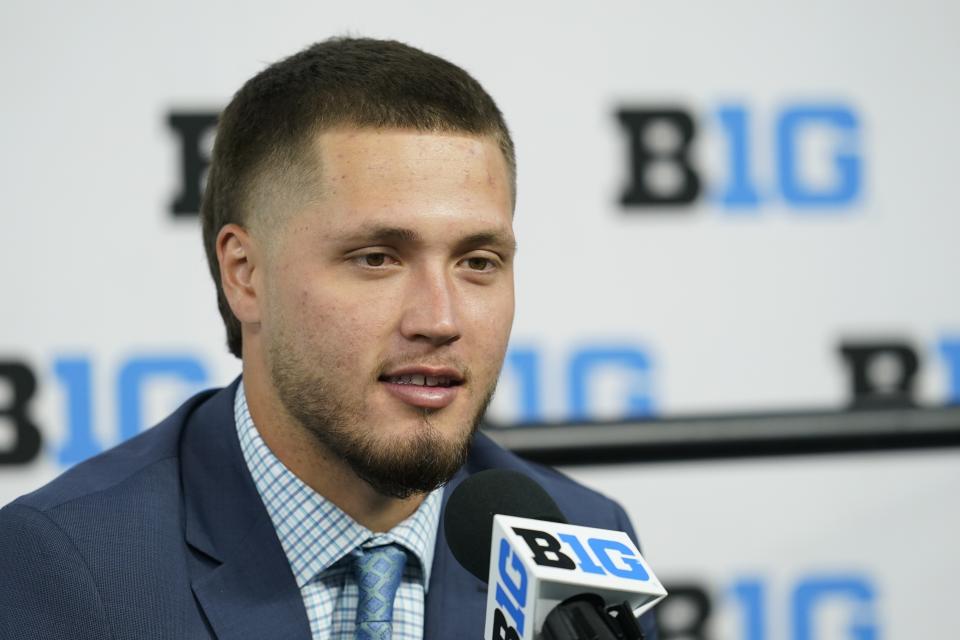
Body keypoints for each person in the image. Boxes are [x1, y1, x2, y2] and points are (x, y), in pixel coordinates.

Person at [0, 37, 657, 640]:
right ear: (245, 275)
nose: (441, 318)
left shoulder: (579, 539)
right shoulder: (70, 566)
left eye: (478, 262)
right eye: (377, 258)